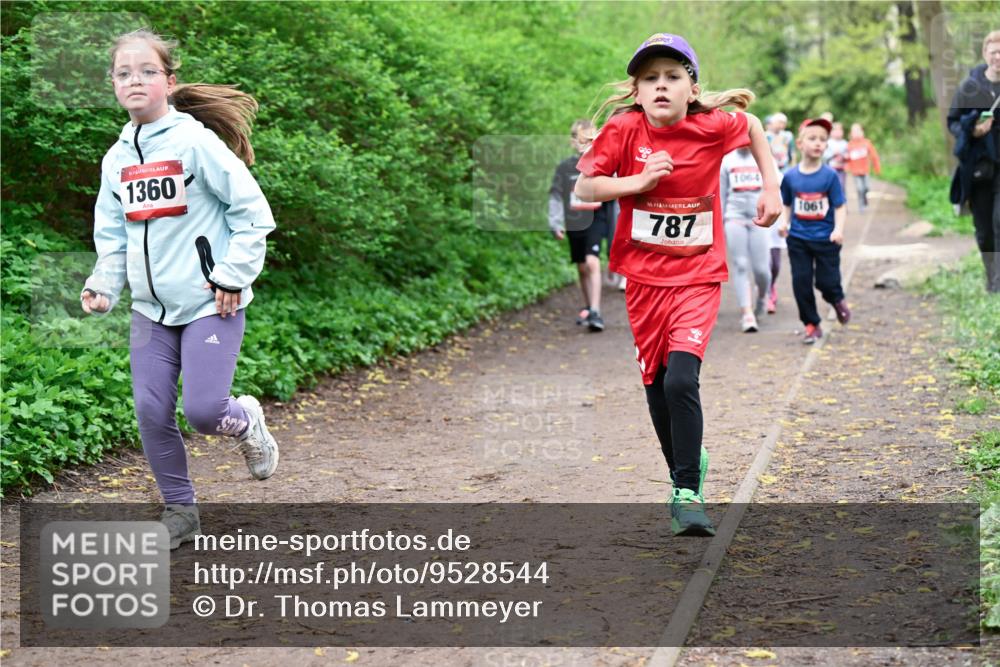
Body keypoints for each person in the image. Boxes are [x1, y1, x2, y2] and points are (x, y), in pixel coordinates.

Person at [575, 33, 781, 536]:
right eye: (650, 79)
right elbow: (585, 187)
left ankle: (687, 492)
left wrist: (772, 185)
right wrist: (638, 183)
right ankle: (684, 467)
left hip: (697, 276)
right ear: (637, 91)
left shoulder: (710, 126)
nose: (661, 86)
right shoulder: (623, 130)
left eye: (673, 76)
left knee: (681, 380)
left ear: (692, 88)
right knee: (656, 387)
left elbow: (752, 124)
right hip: (643, 279)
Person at [80, 29, 279, 548]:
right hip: (150, 310)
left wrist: (233, 274)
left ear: (168, 82)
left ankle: (247, 420)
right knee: (149, 410)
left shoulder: (195, 142)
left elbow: (252, 214)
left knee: (204, 411)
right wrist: (104, 283)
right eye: (124, 73)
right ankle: (180, 511)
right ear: (113, 86)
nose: (135, 80)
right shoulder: (116, 160)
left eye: (147, 71)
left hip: (209, 302)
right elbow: (113, 234)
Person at [778, 118, 850, 344]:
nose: (818, 143)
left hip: (826, 238)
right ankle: (811, 324)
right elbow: (787, 204)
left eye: (822, 140)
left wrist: (838, 229)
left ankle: (836, 299)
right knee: (801, 282)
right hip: (798, 238)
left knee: (826, 282)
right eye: (812, 138)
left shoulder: (830, 176)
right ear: (800, 144)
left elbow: (839, 205)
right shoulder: (790, 177)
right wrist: (784, 222)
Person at [549, 119, 615, 331]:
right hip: (574, 222)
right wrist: (555, 222)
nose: (586, 144)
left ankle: (596, 311)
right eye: (581, 140)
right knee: (581, 266)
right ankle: (588, 306)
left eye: (591, 140)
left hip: (597, 219)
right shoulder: (565, 167)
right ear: (573, 142)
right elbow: (556, 196)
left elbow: (616, 197)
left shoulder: (603, 164)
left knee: (592, 262)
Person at [947, 29, 1000, 293]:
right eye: (994, 52)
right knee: (984, 230)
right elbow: (953, 122)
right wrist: (973, 130)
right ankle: (992, 280)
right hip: (979, 168)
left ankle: (999, 283)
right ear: (985, 54)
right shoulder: (970, 87)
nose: (999, 57)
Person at [720, 146, 777, 331]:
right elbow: (721, 195)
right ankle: (747, 314)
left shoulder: (764, 158)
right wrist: (718, 225)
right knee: (741, 264)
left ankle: (762, 296)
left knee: (761, 269)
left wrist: (779, 219)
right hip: (734, 218)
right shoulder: (726, 161)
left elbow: (776, 190)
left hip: (759, 221)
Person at [844, 122, 881, 211]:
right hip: (855, 172)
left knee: (867, 187)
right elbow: (847, 158)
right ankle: (861, 205)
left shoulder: (866, 143)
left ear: (862, 132)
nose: (856, 133)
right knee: (859, 188)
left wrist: (877, 168)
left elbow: (874, 155)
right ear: (851, 134)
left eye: (858, 131)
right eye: (854, 131)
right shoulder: (849, 145)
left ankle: (864, 198)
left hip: (865, 170)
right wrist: (847, 166)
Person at [824, 121, 849, 198]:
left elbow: (848, 155)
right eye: (836, 130)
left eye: (840, 130)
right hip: (831, 168)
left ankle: (842, 204)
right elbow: (824, 156)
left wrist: (844, 156)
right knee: (830, 186)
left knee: (841, 186)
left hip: (841, 169)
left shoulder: (845, 143)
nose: (838, 132)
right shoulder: (828, 142)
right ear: (831, 132)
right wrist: (833, 154)